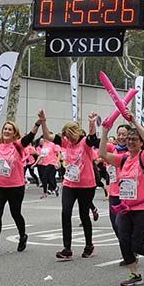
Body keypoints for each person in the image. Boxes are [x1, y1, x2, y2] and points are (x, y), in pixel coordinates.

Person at [98, 119, 144, 286]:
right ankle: (135, 274)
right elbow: (103, 154)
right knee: (123, 239)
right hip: (125, 207)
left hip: (142, 207)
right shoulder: (123, 159)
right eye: (128, 139)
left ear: (140, 143)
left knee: (136, 244)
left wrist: (133, 120)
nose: (130, 141)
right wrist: (105, 132)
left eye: (134, 139)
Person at [39, 110, 100, 261]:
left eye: (70, 135)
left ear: (76, 133)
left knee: (83, 215)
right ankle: (67, 248)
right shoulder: (66, 143)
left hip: (86, 185)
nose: (68, 139)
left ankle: (89, 245)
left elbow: (92, 138)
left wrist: (92, 123)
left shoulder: (85, 143)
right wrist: (43, 122)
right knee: (65, 212)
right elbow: (48, 137)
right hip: (69, 183)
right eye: (66, 136)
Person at [0, 119, 35, 256]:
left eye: (10, 129)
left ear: (15, 133)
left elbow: (29, 138)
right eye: (5, 129)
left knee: (16, 213)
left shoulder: (18, 145)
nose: (7, 131)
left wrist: (38, 124)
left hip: (15, 186)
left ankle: (23, 236)